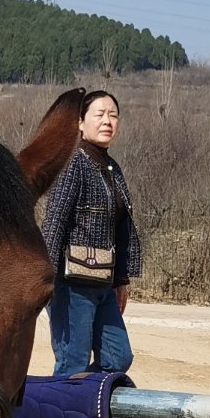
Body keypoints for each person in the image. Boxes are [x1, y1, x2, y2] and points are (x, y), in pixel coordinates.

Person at [38, 88, 141, 374]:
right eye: (99, 114)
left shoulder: (112, 168)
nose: (107, 121)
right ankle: (63, 414)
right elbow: (55, 221)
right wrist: (46, 278)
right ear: (81, 123)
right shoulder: (73, 163)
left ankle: (85, 403)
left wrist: (120, 280)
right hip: (70, 285)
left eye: (113, 115)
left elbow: (120, 229)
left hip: (103, 283)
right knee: (72, 363)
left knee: (118, 358)